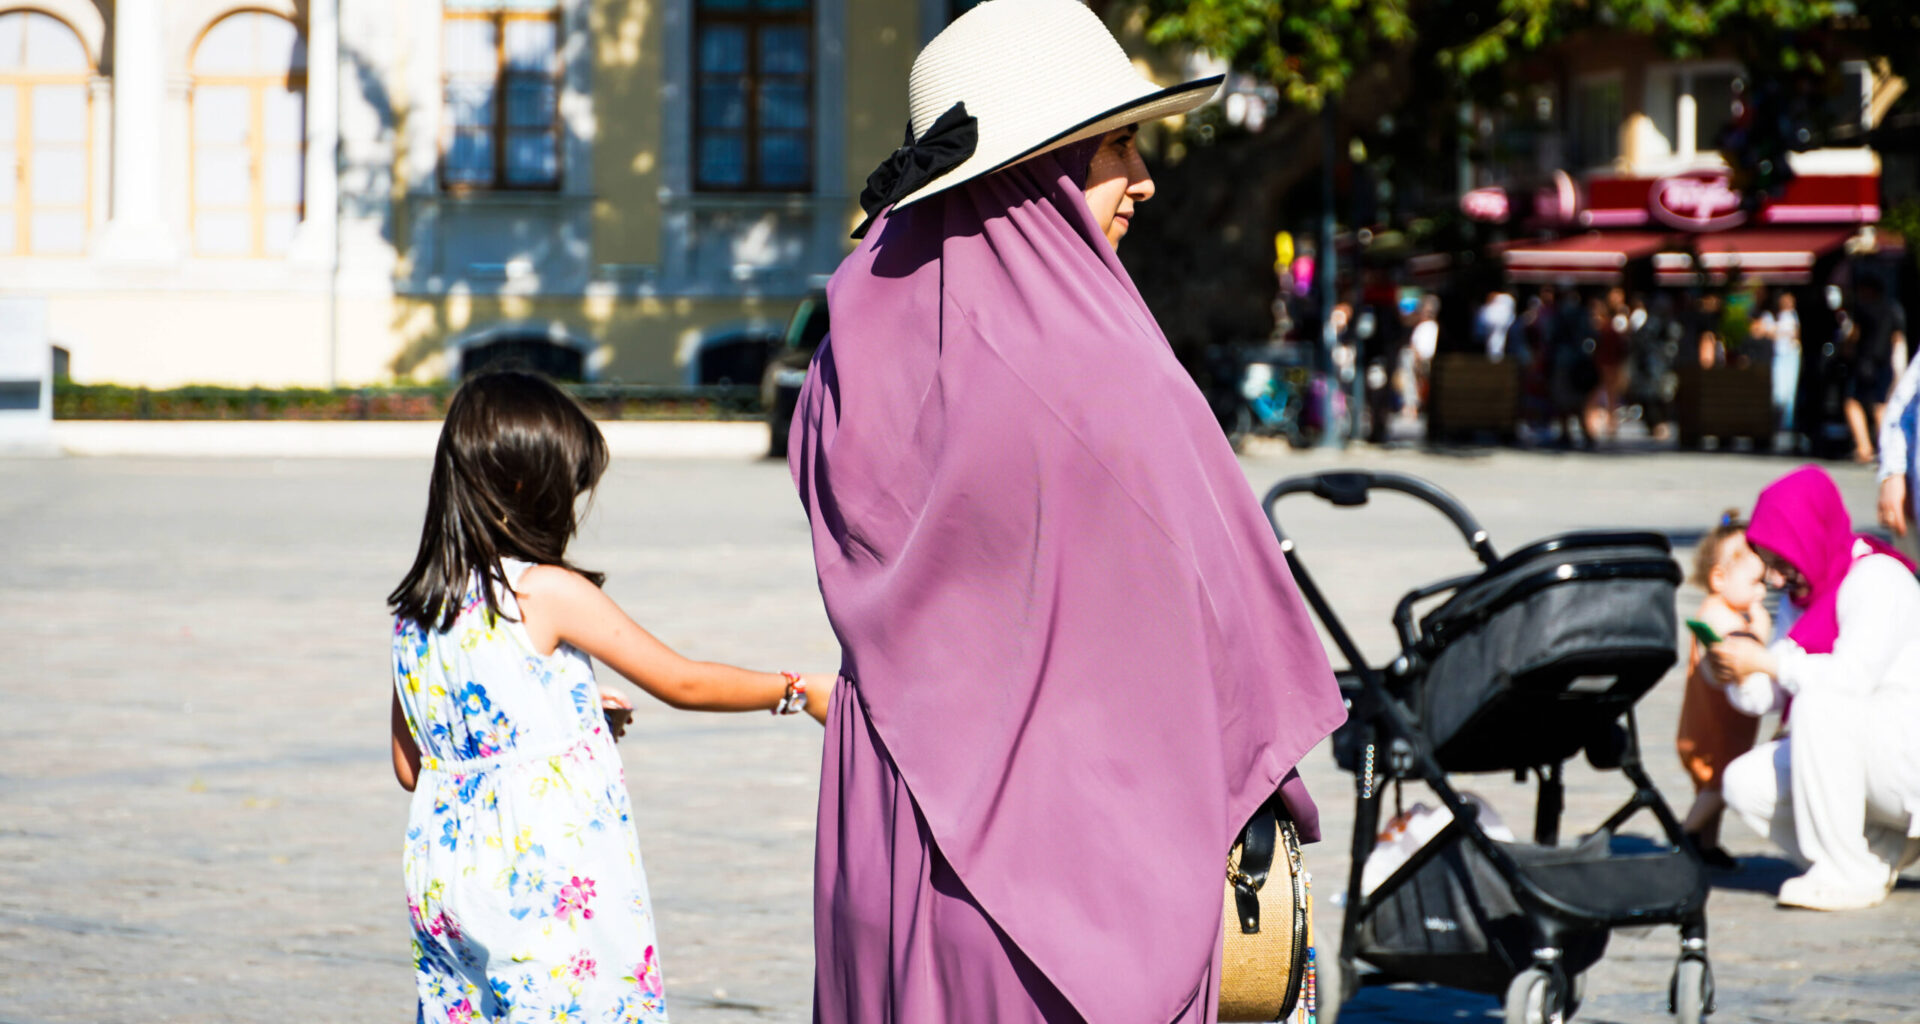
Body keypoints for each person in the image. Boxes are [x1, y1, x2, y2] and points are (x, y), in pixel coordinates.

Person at [787, 1, 1348, 1018]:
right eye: (1118, 147)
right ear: (1037, 171)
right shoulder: (1106, 373)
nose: (1144, 180)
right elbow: (1219, 615)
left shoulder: (846, 355)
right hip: (1064, 884)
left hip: (891, 829)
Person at [386, 371, 833, 1020]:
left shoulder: (416, 612)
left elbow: (411, 766)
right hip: (541, 874)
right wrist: (797, 691)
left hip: (445, 878)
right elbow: (681, 681)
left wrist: (559, 724)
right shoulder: (545, 590)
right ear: (525, 487)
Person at [1709, 466, 1920, 910]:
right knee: (1744, 784)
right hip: (1868, 755)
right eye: (1770, 566)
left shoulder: (1878, 578)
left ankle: (1847, 874)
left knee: (1821, 703)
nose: (1778, 579)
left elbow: (1847, 681)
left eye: (1781, 561)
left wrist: (1765, 660)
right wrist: (1736, 669)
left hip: (1906, 757)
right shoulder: (1803, 597)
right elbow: (1775, 687)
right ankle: (1872, 854)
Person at [1677, 511, 1771, 868]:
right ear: (1719, 578)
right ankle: (1685, 837)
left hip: (1723, 730)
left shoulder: (1724, 611)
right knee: (1717, 788)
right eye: (1756, 583)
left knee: (1712, 789)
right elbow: (1733, 654)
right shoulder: (1716, 616)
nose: (1762, 593)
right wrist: (1760, 633)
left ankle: (1706, 843)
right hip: (1712, 731)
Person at [1844, 277, 1908, 463]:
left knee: (1853, 402)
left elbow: (1853, 336)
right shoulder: (1892, 309)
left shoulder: (1863, 309)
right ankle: (1888, 448)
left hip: (1864, 362)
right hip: (1884, 363)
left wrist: (1846, 347)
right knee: (1881, 406)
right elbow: (1897, 338)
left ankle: (1864, 447)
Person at [1754, 291, 1802, 443]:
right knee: (1777, 392)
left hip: (1791, 355)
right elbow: (1758, 331)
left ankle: (1787, 424)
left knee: (1789, 392)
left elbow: (1796, 335)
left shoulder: (1794, 315)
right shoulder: (1773, 315)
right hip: (1778, 356)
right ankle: (1777, 423)